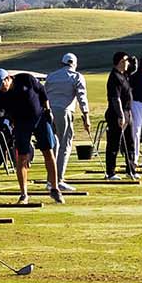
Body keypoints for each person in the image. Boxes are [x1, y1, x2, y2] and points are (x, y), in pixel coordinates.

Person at [0, 68, 63, 203]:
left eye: (1, 85)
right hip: (21, 124)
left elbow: (41, 91)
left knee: (48, 152)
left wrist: (48, 110)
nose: (0, 89)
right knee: (22, 157)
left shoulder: (26, 79)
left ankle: (54, 188)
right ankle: (24, 194)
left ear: (8, 79)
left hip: (40, 118)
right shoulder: (1, 95)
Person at [43, 53, 91, 190]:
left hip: (48, 112)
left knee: (53, 146)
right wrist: (86, 116)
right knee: (65, 145)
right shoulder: (77, 76)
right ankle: (58, 180)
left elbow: (44, 94)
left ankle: (50, 180)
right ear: (74, 64)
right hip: (64, 112)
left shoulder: (51, 76)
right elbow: (82, 97)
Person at [104, 52, 137, 180]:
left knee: (130, 143)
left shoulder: (124, 75)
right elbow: (115, 98)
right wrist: (120, 115)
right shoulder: (114, 77)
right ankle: (110, 172)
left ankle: (131, 170)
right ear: (119, 62)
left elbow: (133, 68)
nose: (127, 63)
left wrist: (133, 61)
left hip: (127, 112)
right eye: (125, 61)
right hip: (117, 114)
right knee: (114, 144)